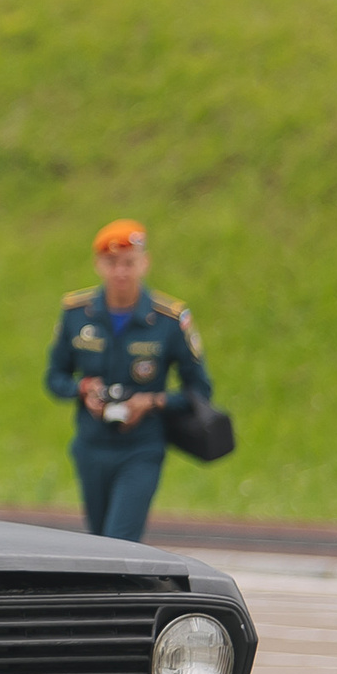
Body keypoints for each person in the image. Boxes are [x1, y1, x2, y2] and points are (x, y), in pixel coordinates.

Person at [45, 219, 212, 543]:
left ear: (144, 263)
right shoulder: (76, 313)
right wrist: (83, 390)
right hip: (91, 445)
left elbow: (200, 391)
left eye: (129, 263)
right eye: (111, 263)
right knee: (98, 542)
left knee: (120, 542)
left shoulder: (169, 319)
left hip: (141, 448)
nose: (120, 272)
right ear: (98, 265)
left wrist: (150, 401)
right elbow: (54, 377)